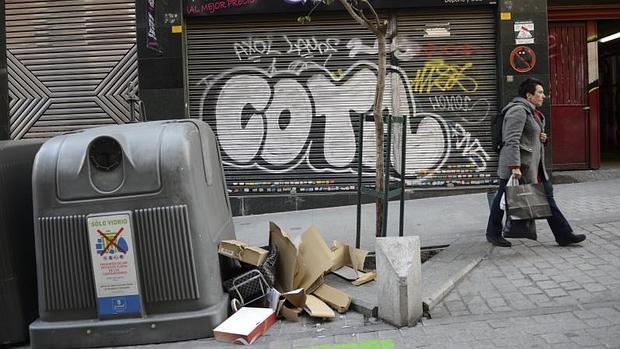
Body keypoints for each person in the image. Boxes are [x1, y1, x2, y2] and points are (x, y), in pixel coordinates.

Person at [486, 78, 586, 247]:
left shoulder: (532, 112)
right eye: (539, 92)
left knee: (546, 197)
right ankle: (493, 233)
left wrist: (542, 139)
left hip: (533, 166)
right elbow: (511, 140)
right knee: (503, 199)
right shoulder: (518, 111)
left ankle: (563, 234)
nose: (543, 96)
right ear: (528, 95)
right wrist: (514, 166)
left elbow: (529, 137)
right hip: (519, 166)